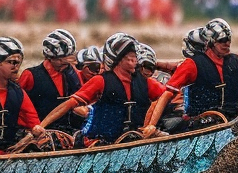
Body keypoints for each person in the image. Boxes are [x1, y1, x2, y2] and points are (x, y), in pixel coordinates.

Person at [150, 18, 238, 128]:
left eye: (228, 40)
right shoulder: (192, 64)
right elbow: (167, 94)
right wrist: (151, 125)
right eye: (222, 40)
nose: (227, 43)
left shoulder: (236, 61)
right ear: (210, 42)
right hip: (200, 123)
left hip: (233, 119)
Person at [39, 33, 169, 144]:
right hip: (100, 142)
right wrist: (40, 127)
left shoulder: (145, 82)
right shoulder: (100, 81)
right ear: (116, 60)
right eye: (129, 57)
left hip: (134, 138)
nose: (134, 60)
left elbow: (167, 96)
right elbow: (68, 105)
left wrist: (151, 124)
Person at [18, 29, 86, 133]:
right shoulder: (30, 75)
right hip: (40, 132)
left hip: (70, 131)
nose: (65, 64)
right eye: (60, 60)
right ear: (50, 57)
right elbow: (16, 105)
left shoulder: (74, 73)